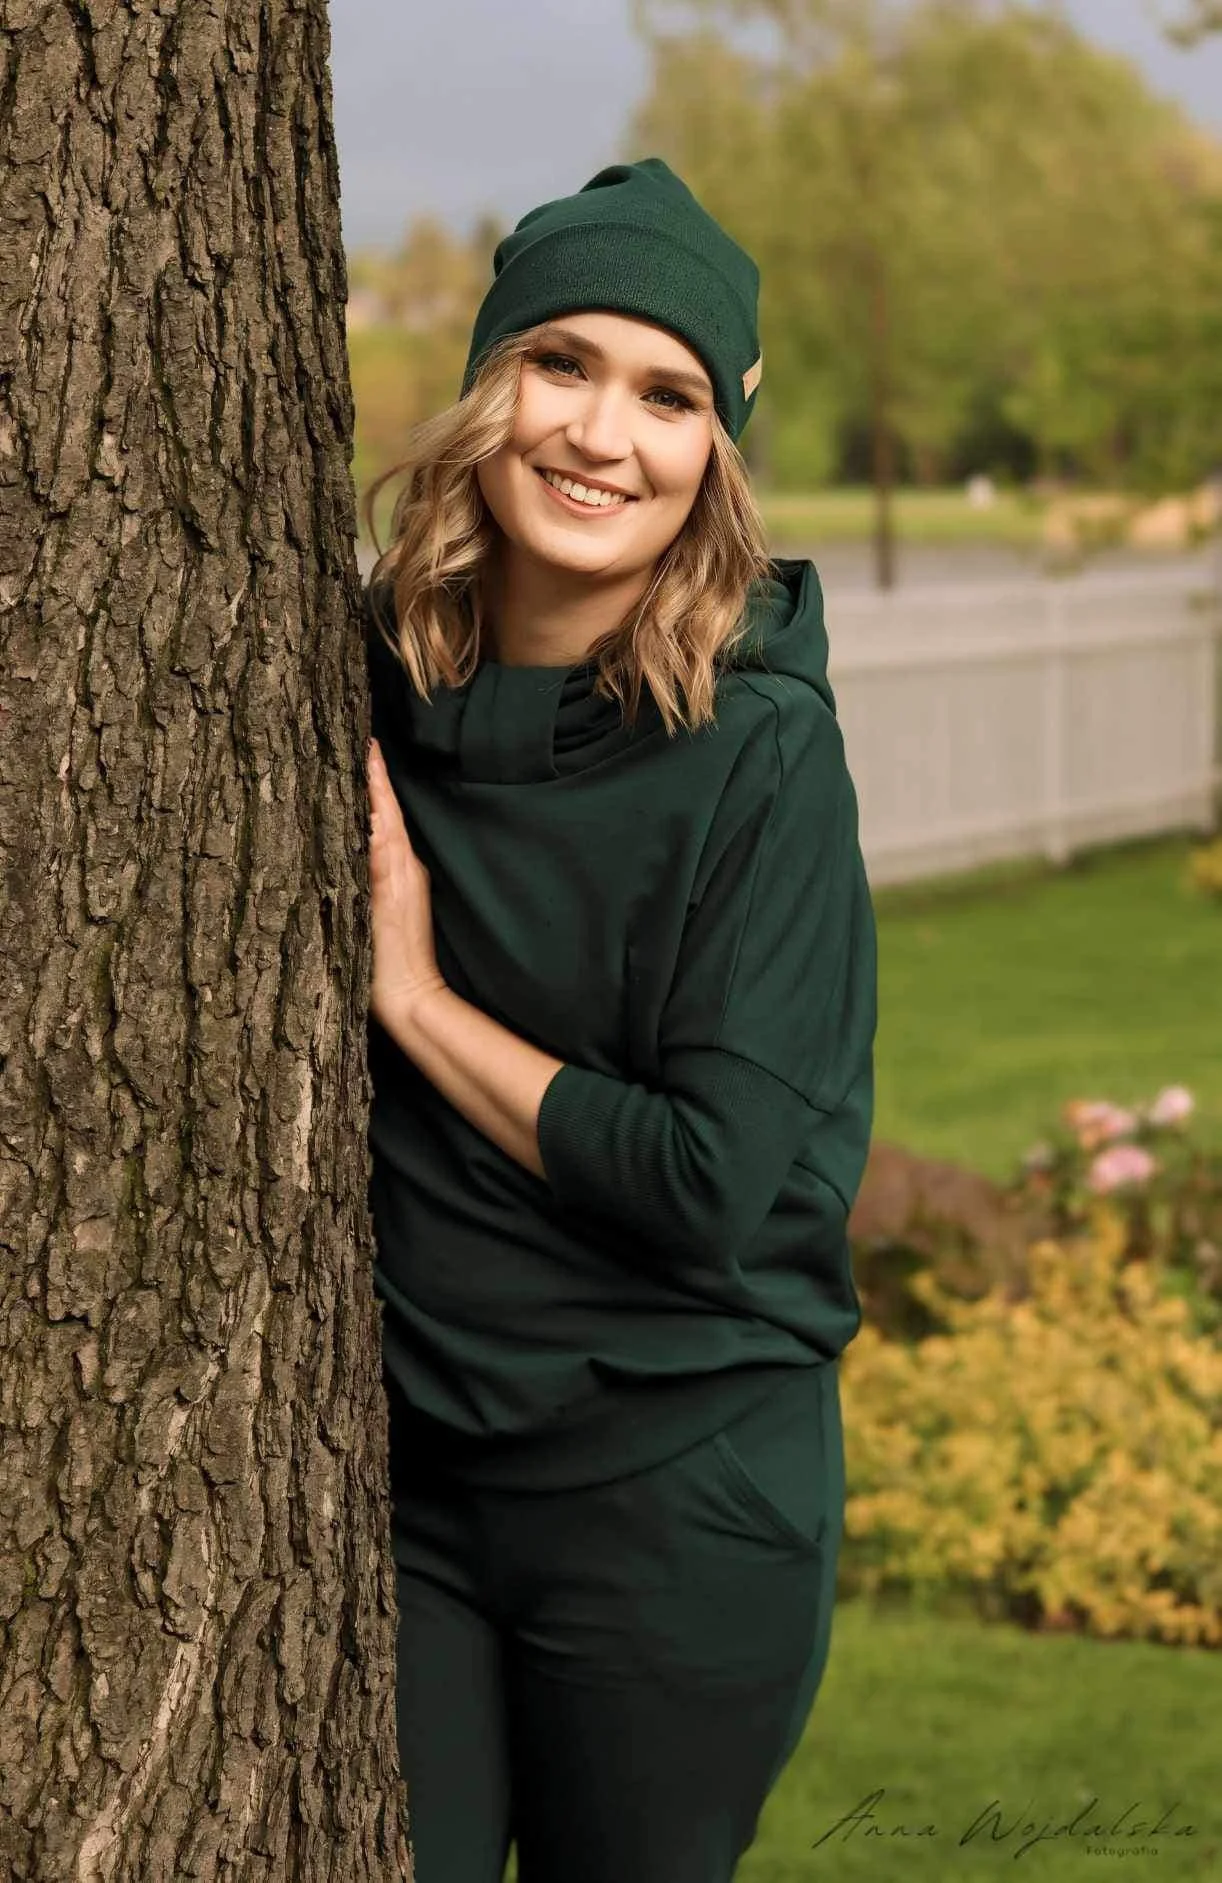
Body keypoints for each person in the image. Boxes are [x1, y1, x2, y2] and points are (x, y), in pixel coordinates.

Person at [360, 157, 877, 1883]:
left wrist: (414, 997)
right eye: (560, 364)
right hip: (403, 1482)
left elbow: (707, 1177)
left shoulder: (760, 753)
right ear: (488, 383)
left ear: (716, 447)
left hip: (676, 1490)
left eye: (666, 395)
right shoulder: (362, 682)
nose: (600, 434)